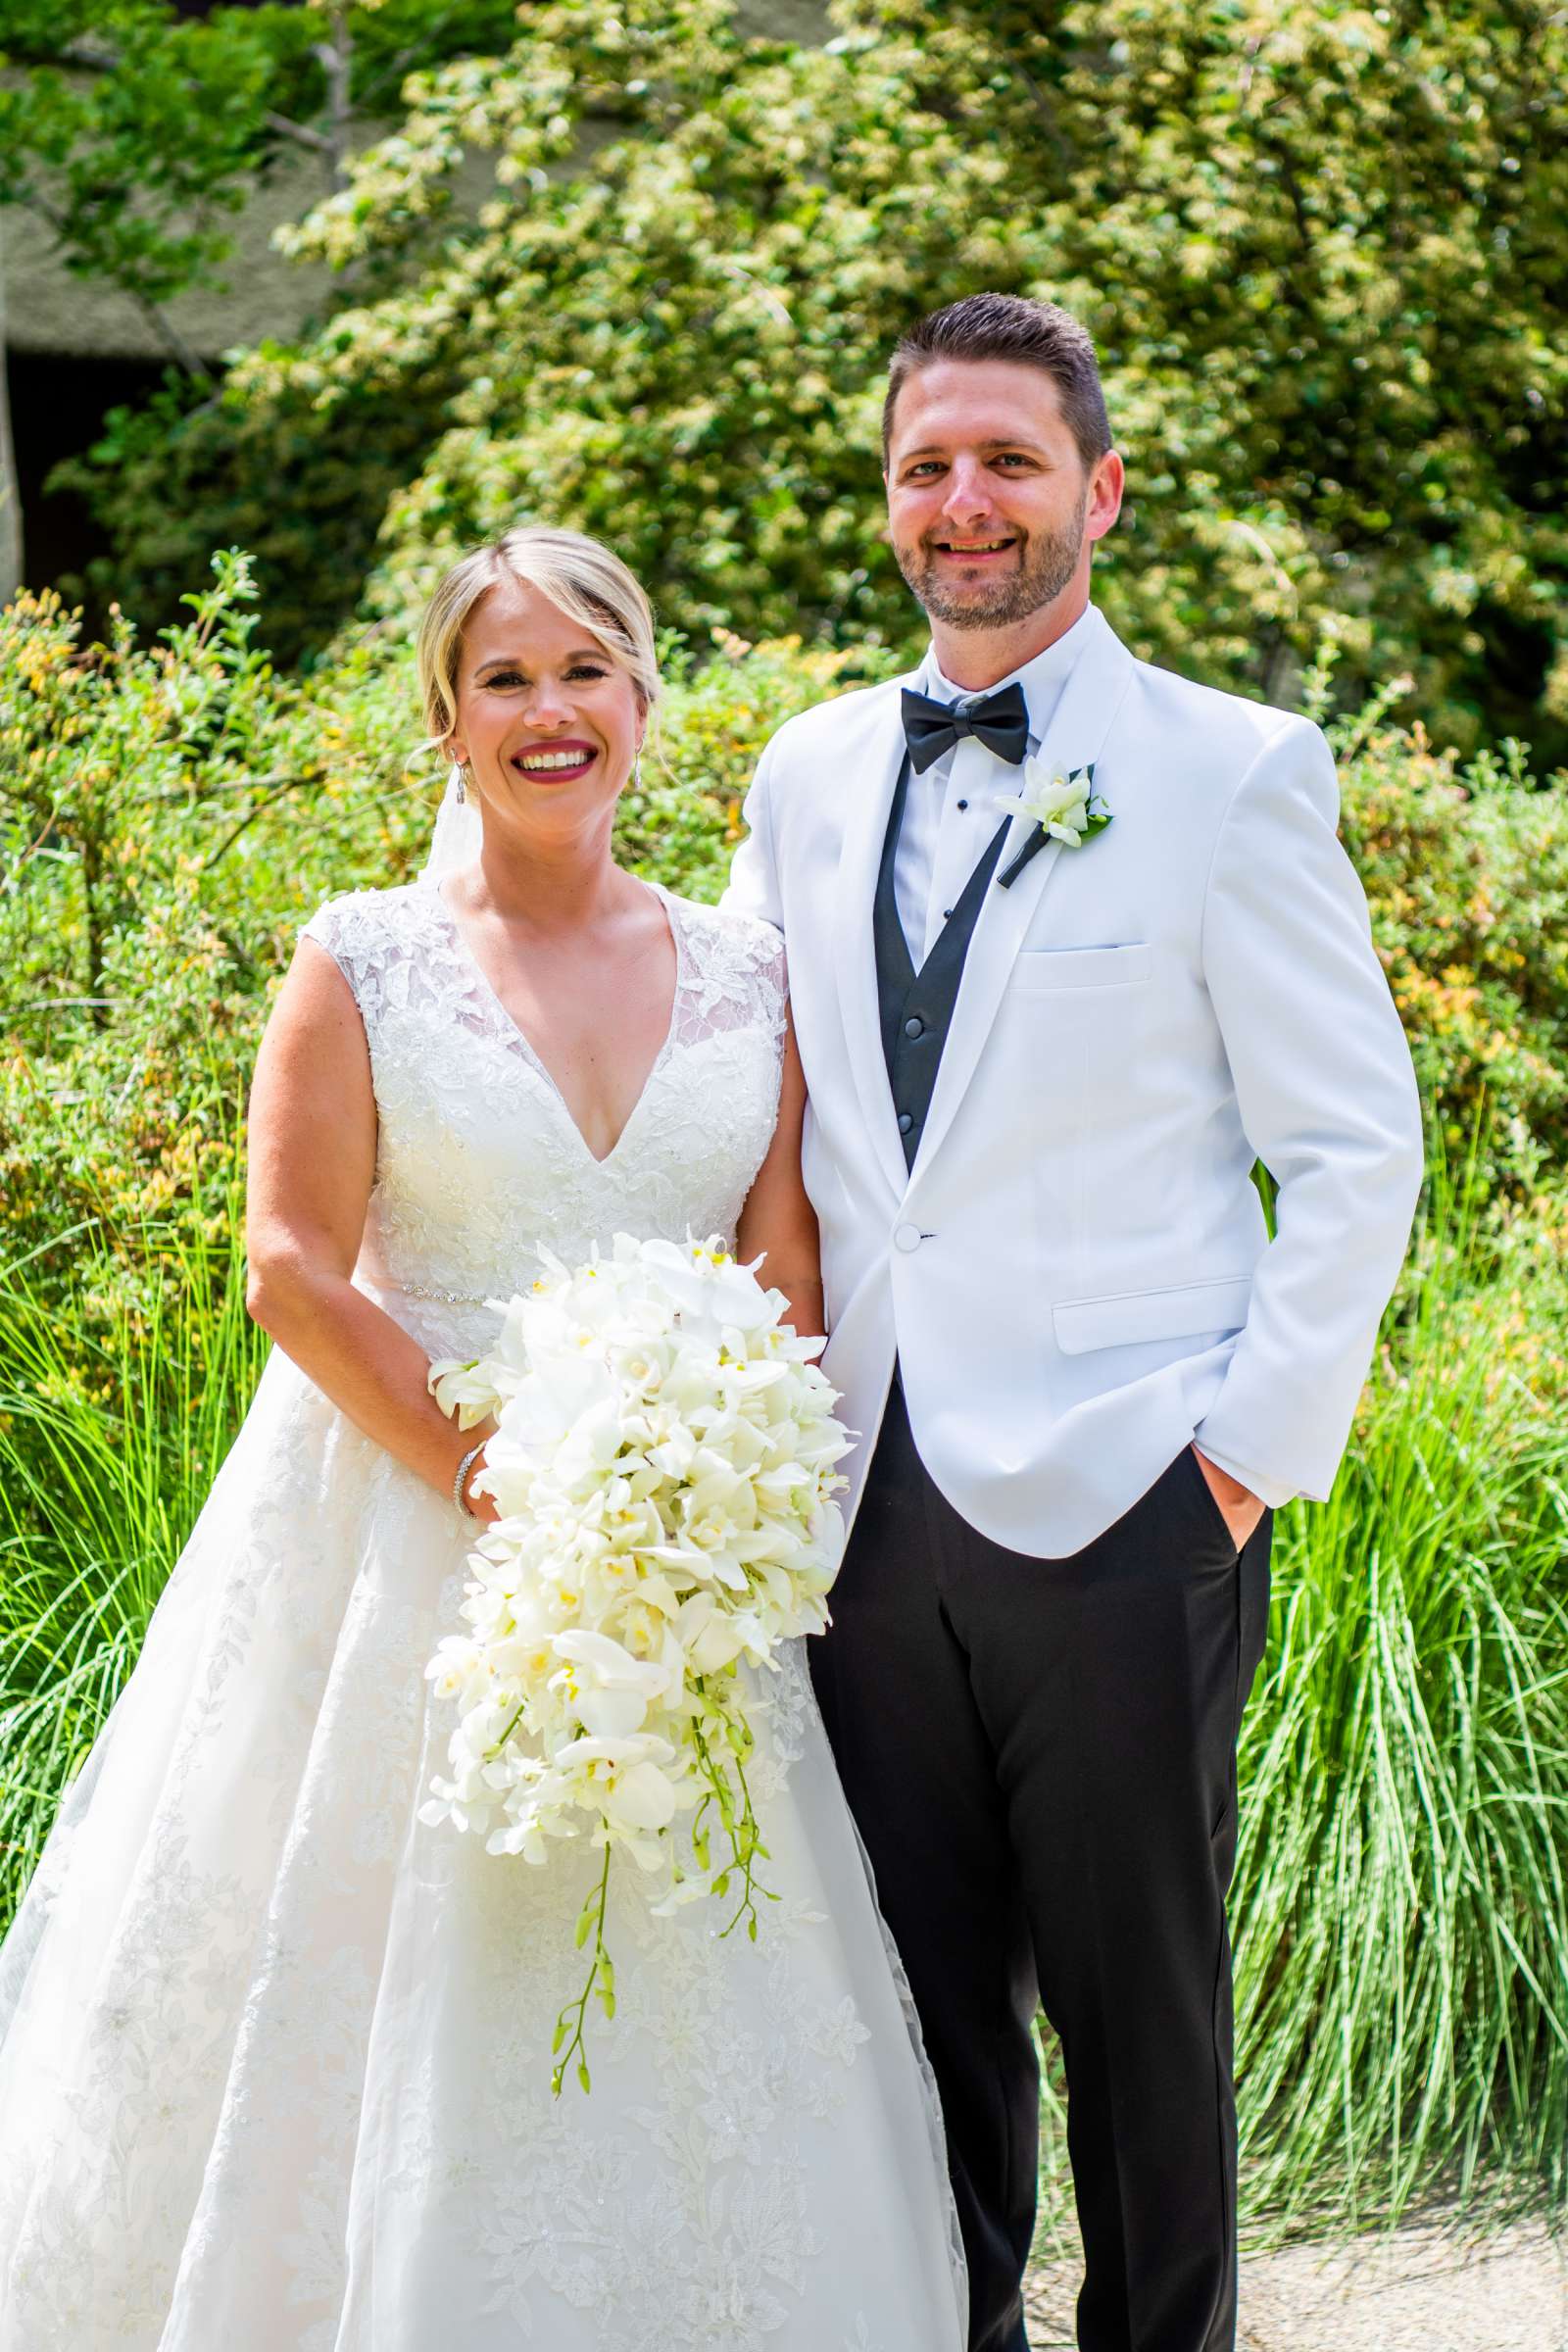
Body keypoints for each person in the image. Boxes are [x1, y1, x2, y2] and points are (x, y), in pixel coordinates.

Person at [0, 526, 967, 2351]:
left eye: (585, 670)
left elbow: (784, 1258)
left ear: (643, 703)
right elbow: (289, 1265)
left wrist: (718, 1471)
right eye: (506, 678)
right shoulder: (359, 961)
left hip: (671, 1557)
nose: (550, 710)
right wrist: (489, 1474)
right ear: (445, 716)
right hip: (396, 1539)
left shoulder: (751, 972)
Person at [724, 292, 1425, 2352]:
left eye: (1006, 461)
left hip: (1130, 1498)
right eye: (926, 465)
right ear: (887, 503)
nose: (964, 501)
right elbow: (779, 1122)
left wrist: (1231, 1468)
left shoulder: (1228, 773)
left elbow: (1350, 1147)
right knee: (907, 2026)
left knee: (1139, 2035)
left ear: (1096, 492)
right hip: (862, 1500)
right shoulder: (802, 775)